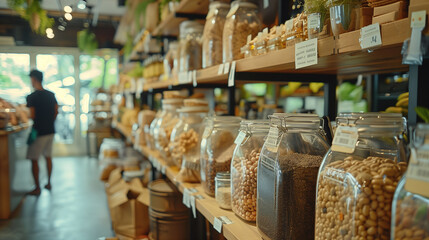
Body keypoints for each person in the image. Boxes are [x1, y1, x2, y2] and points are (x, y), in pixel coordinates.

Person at [26, 70, 58, 196]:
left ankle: (37, 187)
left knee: (34, 159)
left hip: (39, 132)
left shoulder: (31, 97)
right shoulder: (51, 95)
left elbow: (31, 115)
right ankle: (49, 182)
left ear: (34, 79)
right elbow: (56, 111)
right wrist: (50, 122)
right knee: (48, 157)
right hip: (50, 130)